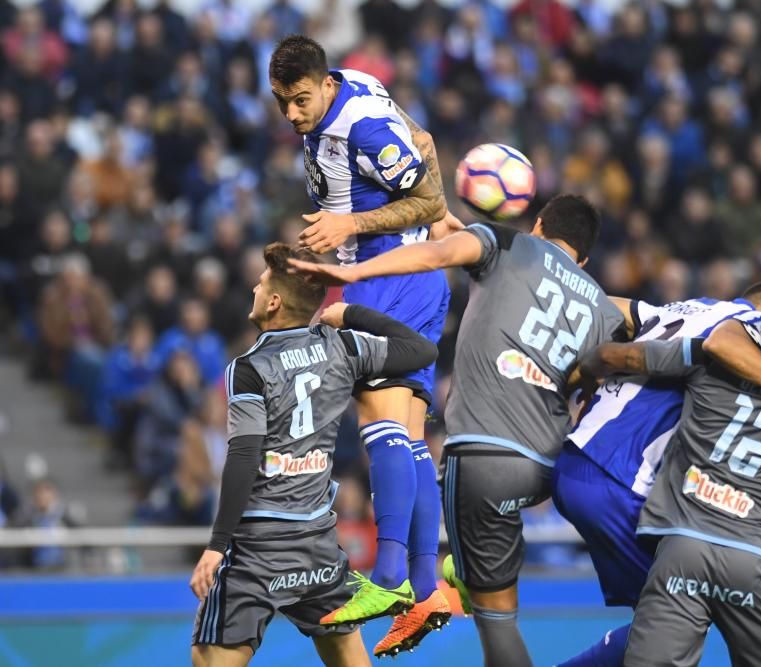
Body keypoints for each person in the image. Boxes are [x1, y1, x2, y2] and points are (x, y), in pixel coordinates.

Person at [290, 194, 627, 665]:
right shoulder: (601, 306)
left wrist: (353, 274)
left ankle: (429, 579)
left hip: (483, 455)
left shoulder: (511, 246)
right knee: (482, 558)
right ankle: (460, 574)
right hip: (546, 466)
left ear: (538, 224)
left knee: (498, 625)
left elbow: (434, 254)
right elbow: (587, 381)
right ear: (585, 257)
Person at [268, 34, 453, 640]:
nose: (292, 115)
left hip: (382, 275)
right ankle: (427, 589)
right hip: (419, 278)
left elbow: (425, 199)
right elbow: (421, 142)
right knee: (409, 435)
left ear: (324, 85)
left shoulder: (359, 127)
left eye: (299, 101)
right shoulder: (357, 86)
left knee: (380, 432)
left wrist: (352, 222)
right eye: (281, 103)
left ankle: (392, 572)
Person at [551, 281, 761, 666]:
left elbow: (607, 316)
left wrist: (579, 371)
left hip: (583, 465)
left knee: (665, 626)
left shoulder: (696, 315)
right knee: (679, 619)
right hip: (645, 494)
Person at [188, 242, 437, 667]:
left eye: (261, 282)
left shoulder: (248, 368)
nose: (254, 285)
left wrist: (217, 545)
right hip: (316, 544)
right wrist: (351, 314)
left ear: (274, 301)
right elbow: (421, 351)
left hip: (258, 548)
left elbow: (244, 456)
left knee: (206, 659)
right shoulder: (341, 347)